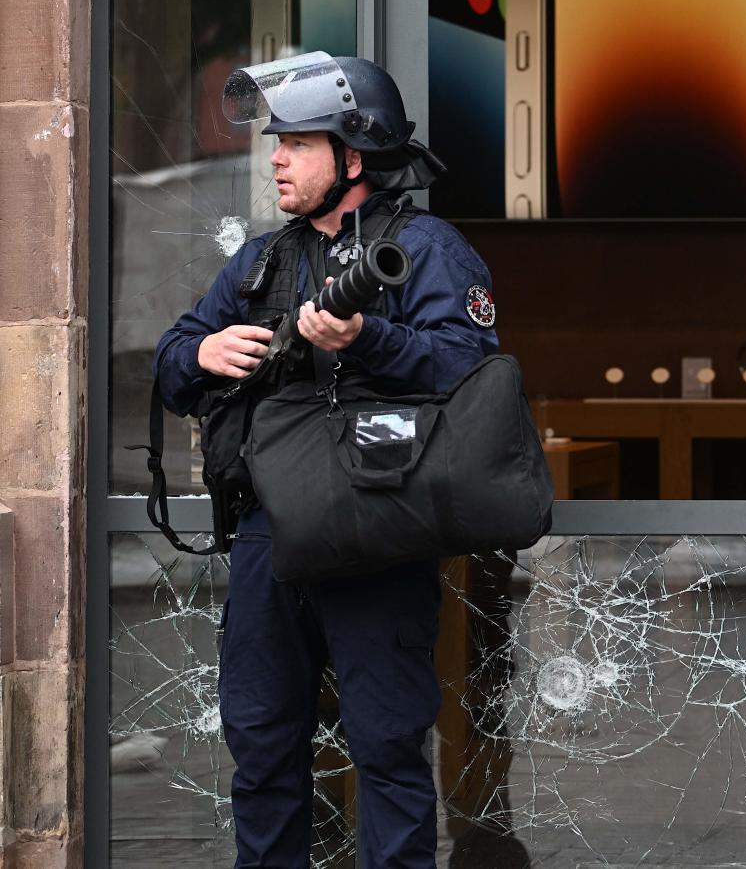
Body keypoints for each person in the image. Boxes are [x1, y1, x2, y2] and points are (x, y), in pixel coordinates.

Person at [154, 53, 499, 869]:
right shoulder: (258, 262)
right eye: (277, 141)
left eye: (297, 142)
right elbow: (169, 365)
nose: (275, 157)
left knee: (386, 750)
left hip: (380, 530)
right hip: (272, 538)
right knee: (264, 748)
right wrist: (203, 352)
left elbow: (474, 373)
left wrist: (369, 336)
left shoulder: (427, 250)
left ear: (354, 155)